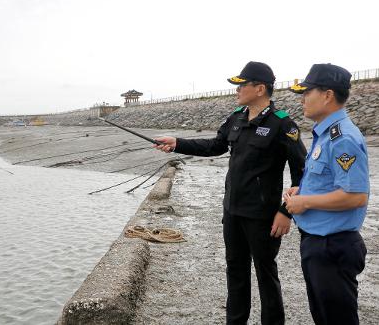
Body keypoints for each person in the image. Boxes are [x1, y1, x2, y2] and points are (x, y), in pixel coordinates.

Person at [154, 61, 307, 324]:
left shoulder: (282, 124)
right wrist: (177, 143)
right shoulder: (236, 117)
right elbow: (215, 145)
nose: (236, 90)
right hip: (233, 211)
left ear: (260, 88)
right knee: (235, 273)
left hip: (262, 216)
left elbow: (302, 172)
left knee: (266, 275)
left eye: (241, 85)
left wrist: (286, 211)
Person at [284, 63, 368, 325]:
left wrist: (305, 201)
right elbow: (331, 182)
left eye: (308, 92)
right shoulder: (325, 134)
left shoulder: (342, 138)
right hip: (319, 244)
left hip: (333, 247)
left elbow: (355, 196)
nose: (303, 99)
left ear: (328, 95)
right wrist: (303, 190)